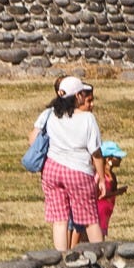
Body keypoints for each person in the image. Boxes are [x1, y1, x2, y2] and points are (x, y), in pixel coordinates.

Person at [37, 77, 104, 251]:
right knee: (89, 219)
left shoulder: (50, 114)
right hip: (78, 170)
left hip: (52, 169)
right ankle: (103, 256)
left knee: (59, 220)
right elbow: (95, 152)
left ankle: (60, 260)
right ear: (79, 96)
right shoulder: (87, 118)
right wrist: (102, 178)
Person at [90, 141, 127, 242]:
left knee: (102, 232)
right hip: (99, 210)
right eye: (117, 157)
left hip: (106, 211)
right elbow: (100, 195)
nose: (120, 159)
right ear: (108, 159)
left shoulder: (111, 175)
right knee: (99, 234)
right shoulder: (100, 175)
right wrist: (117, 192)